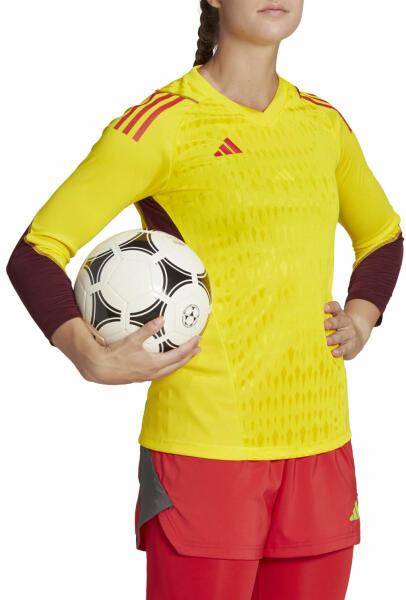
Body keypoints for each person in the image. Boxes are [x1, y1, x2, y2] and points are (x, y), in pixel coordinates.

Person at [6, 0, 404, 598]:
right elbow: (36, 252)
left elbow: (382, 237)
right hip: (203, 448)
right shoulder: (162, 123)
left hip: (321, 445)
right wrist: (89, 356)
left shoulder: (324, 125)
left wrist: (362, 317)